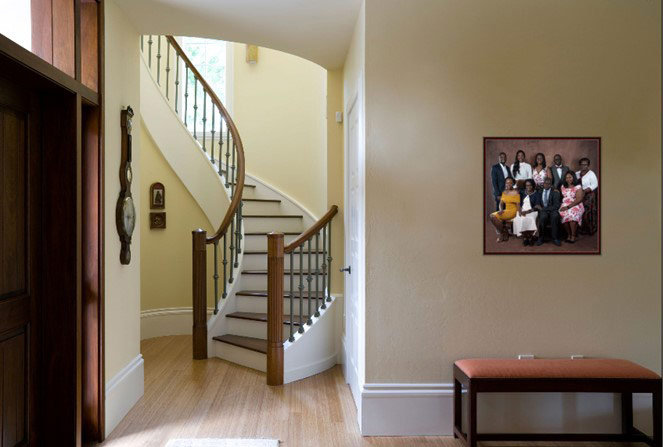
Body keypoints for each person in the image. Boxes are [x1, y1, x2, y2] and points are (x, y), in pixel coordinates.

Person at [489, 177, 520, 242]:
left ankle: (502, 234)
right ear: (505, 183)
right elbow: (501, 203)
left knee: (494, 216)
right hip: (506, 210)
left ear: (513, 184)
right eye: (507, 183)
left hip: (513, 212)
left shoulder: (516, 192)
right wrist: (500, 209)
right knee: (492, 216)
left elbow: (518, 205)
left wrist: (519, 214)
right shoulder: (504, 192)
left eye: (510, 183)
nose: (508, 184)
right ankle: (504, 231)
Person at [534, 177, 562, 246]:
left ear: (551, 185)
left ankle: (555, 238)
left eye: (549, 184)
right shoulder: (539, 192)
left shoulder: (555, 192)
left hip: (552, 210)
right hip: (543, 211)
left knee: (555, 216)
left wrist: (543, 209)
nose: (547, 185)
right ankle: (541, 238)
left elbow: (556, 206)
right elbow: (537, 202)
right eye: (545, 183)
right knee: (542, 217)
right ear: (543, 184)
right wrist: (538, 206)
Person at [513, 179, 541, 246]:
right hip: (522, 210)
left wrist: (527, 212)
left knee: (530, 219)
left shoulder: (537, 194)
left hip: (532, 211)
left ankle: (530, 237)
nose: (528, 187)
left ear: (533, 186)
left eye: (530, 185)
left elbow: (537, 206)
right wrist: (520, 211)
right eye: (526, 185)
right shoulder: (522, 192)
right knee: (518, 218)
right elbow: (518, 203)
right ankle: (525, 237)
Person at [559, 171, 585, 243]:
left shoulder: (578, 186)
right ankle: (569, 235)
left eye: (570, 177)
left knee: (571, 214)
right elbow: (563, 197)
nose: (568, 179)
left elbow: (579, 199)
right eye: (566, 177)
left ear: (573, 177)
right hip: (565, 204)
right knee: (563, 215)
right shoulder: (563, 186)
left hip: (576, 204)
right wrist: (565, 206)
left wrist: (568, 207)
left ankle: (573, 236)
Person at [576, 157, 598, 235]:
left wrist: (585, 191)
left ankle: (590, 229)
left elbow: (595, 184)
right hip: (579, 195)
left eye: (585, 165)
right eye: (582, 164)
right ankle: (581, 229)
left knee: (587, 212)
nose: (583, 166)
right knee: (579, 210)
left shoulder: (591, 174)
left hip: (589, 195)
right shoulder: (577, 173)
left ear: (588, 165)